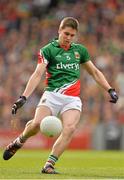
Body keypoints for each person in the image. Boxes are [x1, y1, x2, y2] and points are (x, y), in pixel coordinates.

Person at [3, 17, 118, 174]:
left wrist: (110, 89)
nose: (69, 38)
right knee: (36, 125)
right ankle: (19, 141)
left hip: (72, 99)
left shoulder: (80, 51)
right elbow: (37, 74)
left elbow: (95, 72)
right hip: (51, 95)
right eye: (66, 34)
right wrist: (23, 97)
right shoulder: (47, 50)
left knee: (70, 128)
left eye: (72, 35)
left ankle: (49, 164)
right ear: (59, 31)